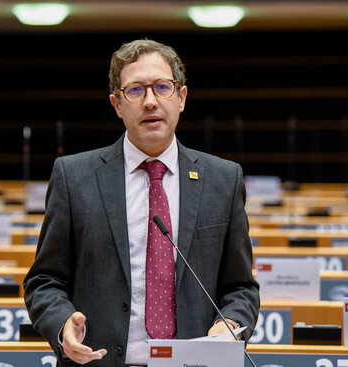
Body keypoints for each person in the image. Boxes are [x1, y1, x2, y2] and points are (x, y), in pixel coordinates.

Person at [23, 39, 260, 367]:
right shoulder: (74, 177)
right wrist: (64, 324)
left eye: (162, 87)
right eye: (135, 90)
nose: (150, 101)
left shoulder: (224, 180)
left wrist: (229, 324)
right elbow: (44, 281)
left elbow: (241, 287)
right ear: (117, 105)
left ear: (182, 98)